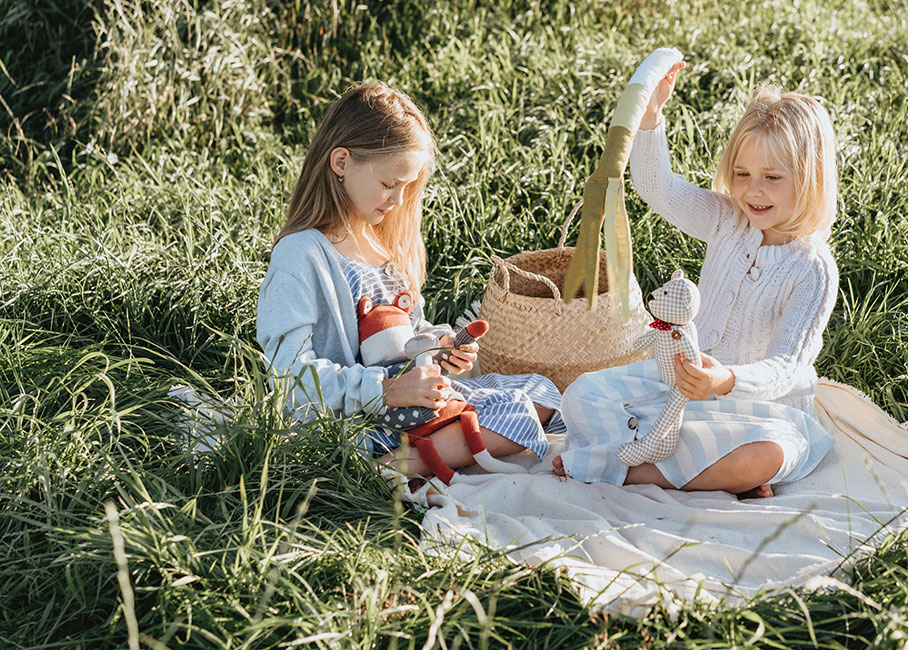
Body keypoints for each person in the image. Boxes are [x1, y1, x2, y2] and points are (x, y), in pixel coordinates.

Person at [554, 61, 839, 498]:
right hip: (683, 389)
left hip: (760, 412)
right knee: (583, 392)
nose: (753, 191)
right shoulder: (728, 220)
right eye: (742, 175)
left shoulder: (811, 269)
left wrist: (726, 381)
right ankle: (691, 467)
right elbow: (658, 188)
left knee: (763, 457)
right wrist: (651, 118)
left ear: (811, 179)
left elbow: (786, 367)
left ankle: (631, 471)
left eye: (773, 178)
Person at [257, 81, 563, 479]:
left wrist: (440, 348)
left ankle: (432, 445)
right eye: (389, 184)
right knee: (518, 414)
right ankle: (387, 468)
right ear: (340, 162)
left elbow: (409, 333)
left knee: (543, 391)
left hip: (409, 402)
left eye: (407, 187)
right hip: (357, 418)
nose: (398, 200)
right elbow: (286, 374)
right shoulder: (302, 254)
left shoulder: (381, 244)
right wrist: (385, 392)